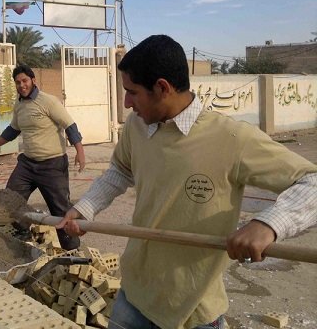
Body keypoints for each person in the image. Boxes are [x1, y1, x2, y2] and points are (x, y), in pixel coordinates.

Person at [57, 34, 317, 329]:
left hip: (193, 312)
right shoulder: (136, 127)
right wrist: (85, 207)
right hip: (134, 298)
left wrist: (269, 224)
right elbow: (121, 169)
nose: (126, 103)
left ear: (162, 88)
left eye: (132, 92)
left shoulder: (232, 139)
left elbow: (312, 182)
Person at [0, 64, 86, 250]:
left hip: (52, 165)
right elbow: (13, 130)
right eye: (17, 82)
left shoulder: (48, 101)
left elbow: (69, 125)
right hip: (28, 165)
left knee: (61, 212)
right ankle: (19, 236)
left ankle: (72, 253)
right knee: (10, 199)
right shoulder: (19, 105)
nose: (21, 85)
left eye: (24, 80)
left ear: (33, 80)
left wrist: (80, 151)